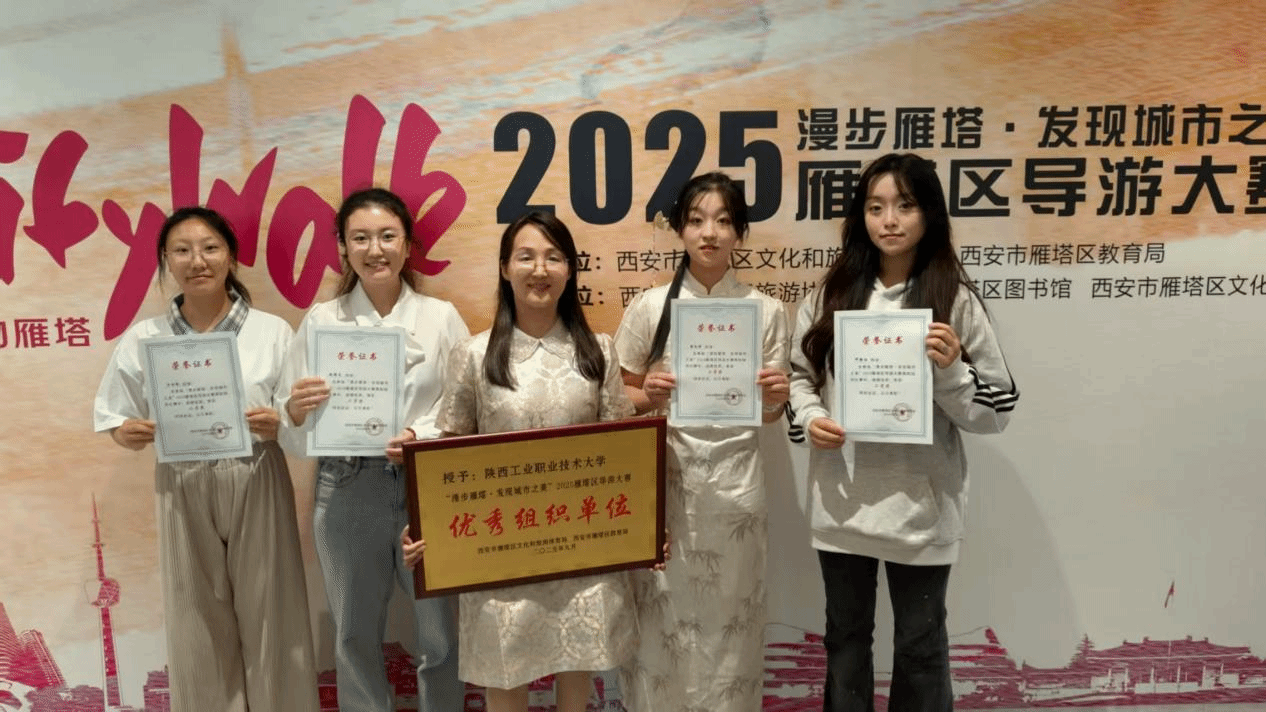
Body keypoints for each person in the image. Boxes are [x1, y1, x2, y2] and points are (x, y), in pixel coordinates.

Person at [787, 152, 1019, 712]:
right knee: (846, 643)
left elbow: (997, 410)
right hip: (843, 510)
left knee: (920, 649)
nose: (889, 220)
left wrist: (951, 371)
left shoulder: (954, 300)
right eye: (875, 207)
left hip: (922, 514)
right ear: (860, 216)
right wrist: (812, 419)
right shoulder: (831, 294)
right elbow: (799, 379)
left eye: (904, 206)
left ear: (929, 213)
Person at [93, 206, 319, 712]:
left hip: (256, 471)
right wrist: (126, 432)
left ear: (231, 257)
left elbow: (294, 415)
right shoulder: (146, 338)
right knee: (193, 614)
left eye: (210, 248)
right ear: (165, 260)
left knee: (273, 611)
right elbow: (113, 416)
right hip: (181, 478)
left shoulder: (272, 331)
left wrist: (279, 421)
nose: (197, 261)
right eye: (182, 250)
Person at [420, 210, 636, 712]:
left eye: (553, 257)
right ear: (504, 268)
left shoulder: (599, 352)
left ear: (570, 270)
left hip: (580, 542)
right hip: (501, 547)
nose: (540, 269)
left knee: (577, 668)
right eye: (526, 257)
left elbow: (622, 451)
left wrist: (644, 527)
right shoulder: (473, 355)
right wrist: (428, 527)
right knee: (505, 670)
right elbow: (449, 456)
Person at [278, 188, 469, 712]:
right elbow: (290, 420)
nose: (375, 249)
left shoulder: (441, 317)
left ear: (407, 245)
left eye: (387, 236)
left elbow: (464, 403)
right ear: (343, 247)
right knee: (353, 634)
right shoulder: (322, 321)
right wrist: (295, 407)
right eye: (360, 238)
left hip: (425, 487)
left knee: (440, 634)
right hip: (346, 487)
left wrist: (420, 436)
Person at [613, 171, 790, 712]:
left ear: (740, 232)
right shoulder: (650, 308)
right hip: (665, 486)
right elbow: (617, 395)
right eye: (695, 220)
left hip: (737, 492)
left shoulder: (766, 310)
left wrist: (776, 396)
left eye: (723, 221)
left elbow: (769, 414)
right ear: (680, 230)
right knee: (661, 618)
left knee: (732, 621)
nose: (709, 233)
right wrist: (649, 394)